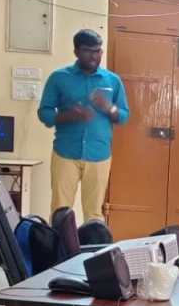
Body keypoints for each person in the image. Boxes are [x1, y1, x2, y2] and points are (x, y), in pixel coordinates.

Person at [38, 29, 129, 222]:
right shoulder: (59, 78)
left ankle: (93, 242)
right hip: (65, 153)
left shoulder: (112, 81)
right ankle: (60, 243)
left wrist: (109, 108)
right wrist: (68, 116)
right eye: (88, 50)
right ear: (76, 52)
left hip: (99, 155)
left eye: (98, 51)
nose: (94, 56)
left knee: (94, 214)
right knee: (60, 211)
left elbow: (123, 116)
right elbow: (44, 113)